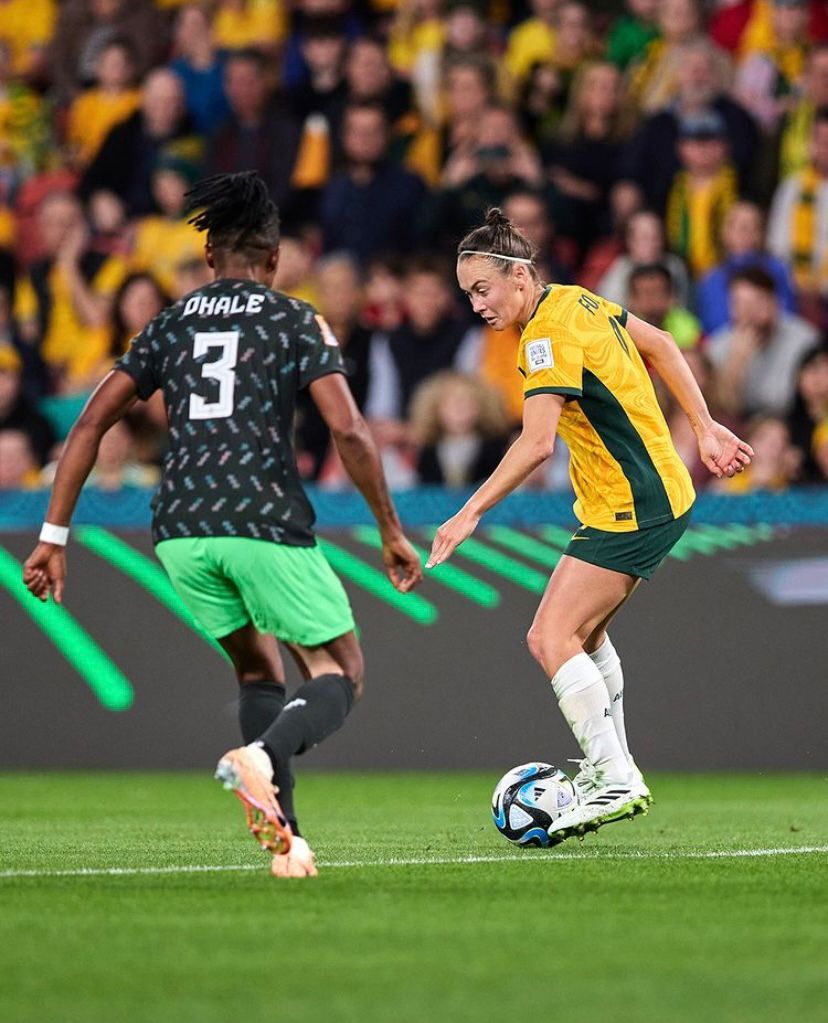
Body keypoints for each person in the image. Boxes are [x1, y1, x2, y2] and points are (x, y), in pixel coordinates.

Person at [22, 171, 422, 878]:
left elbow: (90, 420)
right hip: (260, 516)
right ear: (273, 261)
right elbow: (351, 431)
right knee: (341, 671)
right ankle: (263, 755)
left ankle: (289, 840)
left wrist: (54, 537)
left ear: (209, 261)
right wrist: (390, 527)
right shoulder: (295, 316)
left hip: (178, 529)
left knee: (256, 667)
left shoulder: (170, 322)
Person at [426, 207, 752, 844]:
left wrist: (467, 513)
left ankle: (613, 776)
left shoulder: (544, 337)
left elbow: (537, 444)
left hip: (634, 503)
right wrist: (703, 424)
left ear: (519, 275)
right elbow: (659, 343)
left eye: (482, 289)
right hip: (643, 495)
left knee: (549, 638)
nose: (475, 305)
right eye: (467, 294)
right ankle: (616, 768)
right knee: (584, 633)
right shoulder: (576, 300)